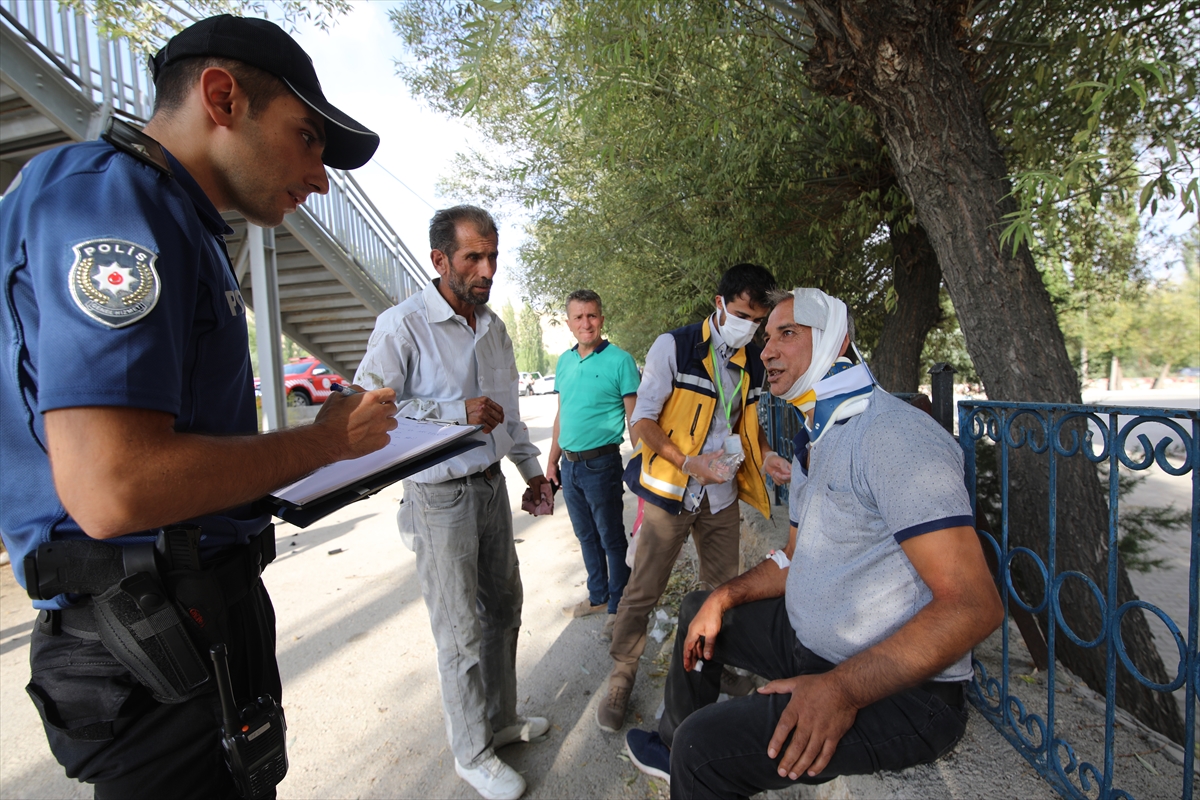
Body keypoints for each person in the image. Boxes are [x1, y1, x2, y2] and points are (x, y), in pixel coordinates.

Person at [0, 15, 399, 799]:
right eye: (308, 138)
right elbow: (116, 488)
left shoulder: (176, 218)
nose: (321, 178)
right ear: (222, 97)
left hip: (194, 618)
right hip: (144, 639)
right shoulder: (110, 202)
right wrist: (322, 444)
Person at [622, 287, 1005, 799]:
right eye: (766, 337)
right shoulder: (815, 437)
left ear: (836, 341)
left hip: (903, 694)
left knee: (703, 748)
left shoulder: (893, 436)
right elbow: (795, 555)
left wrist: (840, 689)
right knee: (699, 610)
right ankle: (669, 750)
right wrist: (724, 596)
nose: (766, 351)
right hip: (810, 644)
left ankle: (684, 756)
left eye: (787, 334)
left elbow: (974, 606)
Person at [353, 205, 551, 800]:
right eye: (473, 257)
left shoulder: (492, 324)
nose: (487, 268)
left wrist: (532, 472)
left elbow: (508, 411)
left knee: (506, 611)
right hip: (438, 499)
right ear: (439, 260)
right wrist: (450, 415)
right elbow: (368, 414)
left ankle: (499, 721)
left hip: (489, 487)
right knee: (460, 633)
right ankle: (472, 753)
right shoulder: (402, 325)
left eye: (492, 256)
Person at [598, 263, 792, 732]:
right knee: (643, 591)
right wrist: (688, 463)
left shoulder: (750, 360)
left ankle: (714, 666)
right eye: (744, 314)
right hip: (673, 491)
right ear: (719, 305)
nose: (750, 327)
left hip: (722, 495)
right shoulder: (676, 347)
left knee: (721, 590)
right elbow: (643, 422)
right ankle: (622, 674)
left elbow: (747, 423)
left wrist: (764, 456)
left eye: (758, 319)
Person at [545, 290, 641, 639]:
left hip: (602, 464)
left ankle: (618, 605)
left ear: (601, 318)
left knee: (610, 536)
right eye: (578, 317)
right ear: (569, 322)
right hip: (569, 467)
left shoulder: (620, 361)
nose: (586, 323)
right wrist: (552, 461)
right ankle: (598, 596)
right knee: (585, 535)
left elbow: (635, 417)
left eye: (592, 316)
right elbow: (562, 415)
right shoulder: (564, 362)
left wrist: (642, 461)